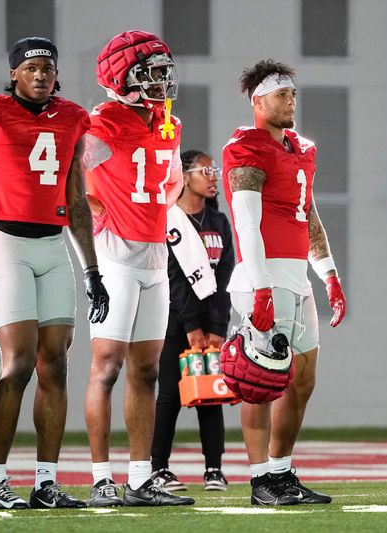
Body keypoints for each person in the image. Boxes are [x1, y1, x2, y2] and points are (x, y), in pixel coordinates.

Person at [0, 37, 109, 510]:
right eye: (32, 68)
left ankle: (45, 482)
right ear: (15, 73)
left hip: (53, 244)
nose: (41, 75)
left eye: (48, 68)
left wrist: (93, 269)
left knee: (55, 364)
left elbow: (77, 199)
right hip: (5, 244)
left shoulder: (74, 119)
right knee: (17, 363)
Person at [222, 59, 347, 506]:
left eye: (292, 94)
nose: (291, 101)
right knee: (259, 380)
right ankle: (260, 482)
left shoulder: (302, 148)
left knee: (303, 379)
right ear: (258, 101)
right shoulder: (246, 148)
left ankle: (282, 472)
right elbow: (247, 222)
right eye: (281, 95)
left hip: (297, 275)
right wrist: (258, 287)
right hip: (264, 274)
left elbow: (308, 214)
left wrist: (329, 273)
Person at [82, 30, 194, 507]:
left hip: (153, 252)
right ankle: (101, 478)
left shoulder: (168, 123)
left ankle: (140, 477)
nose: (162, 81)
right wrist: (102, 218)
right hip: (113, 255)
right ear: (121, 78)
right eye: (152, 72)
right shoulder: (101, 122)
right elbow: (75, 185)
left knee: (147, 370)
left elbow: (171, 186)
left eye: (165, 72)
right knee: (106, 367)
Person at [150, 150, 234, 492]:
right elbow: (172, 276)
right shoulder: (168, 219)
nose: (214, 177)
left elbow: (225, 276)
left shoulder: (219, 222)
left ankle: (214, 469)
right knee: (169, 393)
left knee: (212, 395)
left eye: (215, 171)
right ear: (184, 176)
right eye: (206, 170)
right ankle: (159, 468)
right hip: (174, 319)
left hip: (210, 321)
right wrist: (190, 325)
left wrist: (217, 327)